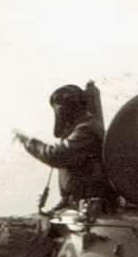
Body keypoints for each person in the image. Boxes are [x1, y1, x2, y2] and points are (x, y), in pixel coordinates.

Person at [13, 82, 117, 212]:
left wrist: (29, 143)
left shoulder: (86, 129)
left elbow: (57, 156)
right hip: (79, 204)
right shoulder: (83, 126)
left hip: (91, 207)